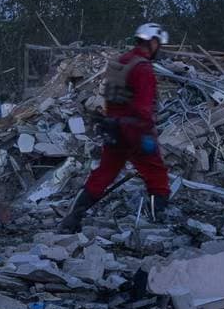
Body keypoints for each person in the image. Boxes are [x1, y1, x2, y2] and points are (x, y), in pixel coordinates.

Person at [61, 23, 173, 229]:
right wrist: (148, 133)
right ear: (152, 42)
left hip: (113, 127)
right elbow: (143, 108)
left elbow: (110, 99)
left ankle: (72, 218)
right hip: (136, 130)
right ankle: (159, 219)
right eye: (158, 43)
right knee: (156, 172)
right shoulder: (143, 69)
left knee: (105, 173)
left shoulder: (121, 62)